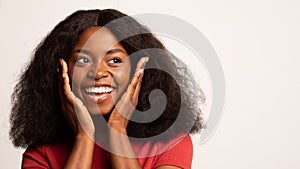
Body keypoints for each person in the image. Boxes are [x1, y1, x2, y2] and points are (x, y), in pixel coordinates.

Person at [9, 9, 205, 169]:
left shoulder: (169, 145)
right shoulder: (41, 154)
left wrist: (118, 130)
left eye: (114, 60)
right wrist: (84, 136)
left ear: (139, 70)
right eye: (83, 60)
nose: (98, 72)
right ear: (63, 71)